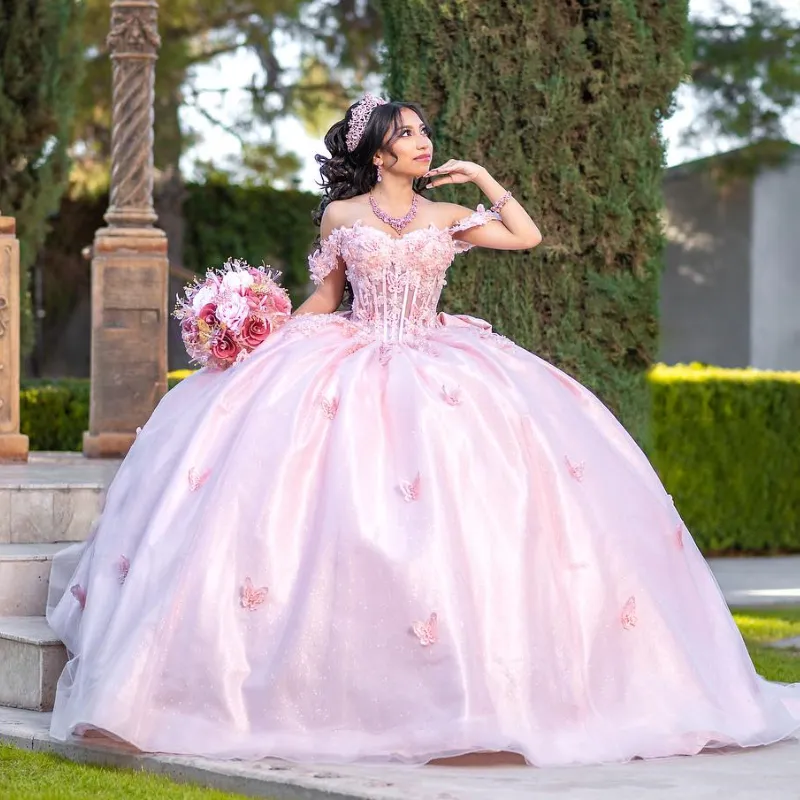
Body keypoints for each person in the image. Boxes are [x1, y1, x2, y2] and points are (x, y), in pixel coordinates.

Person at [47, 93, 800, 766]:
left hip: (440, 357)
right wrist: (258, 343)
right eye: (407, 134)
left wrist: (478, 178)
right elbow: (326, 298)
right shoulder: (343, 218)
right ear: (378, 153)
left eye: (423, 132)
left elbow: (527, 236)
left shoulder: (448, 216)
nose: (421, 142)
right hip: (354, 355)